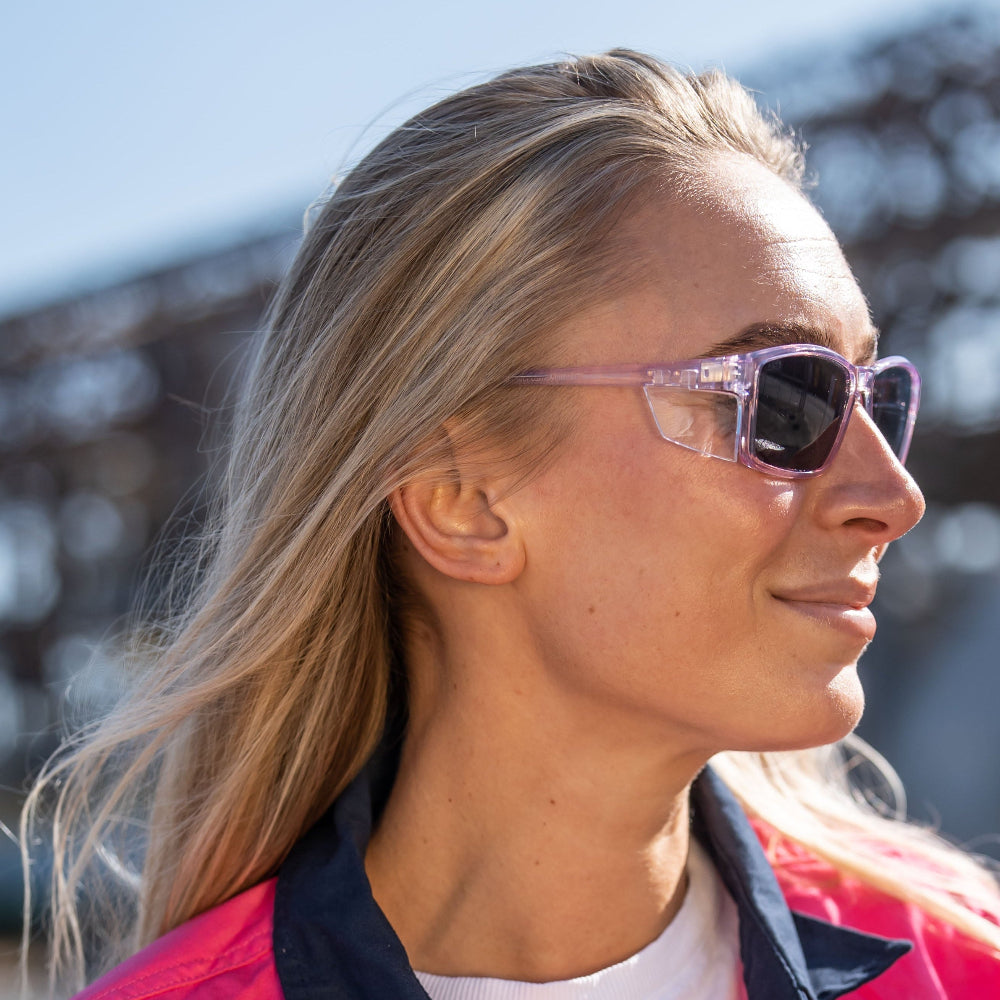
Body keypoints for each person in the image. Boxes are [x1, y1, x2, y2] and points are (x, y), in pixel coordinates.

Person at [23, 49, 1000, 1000]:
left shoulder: (960, 967)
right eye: (786, 400)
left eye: (878, 397)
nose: (893, 494)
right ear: (461, 498)